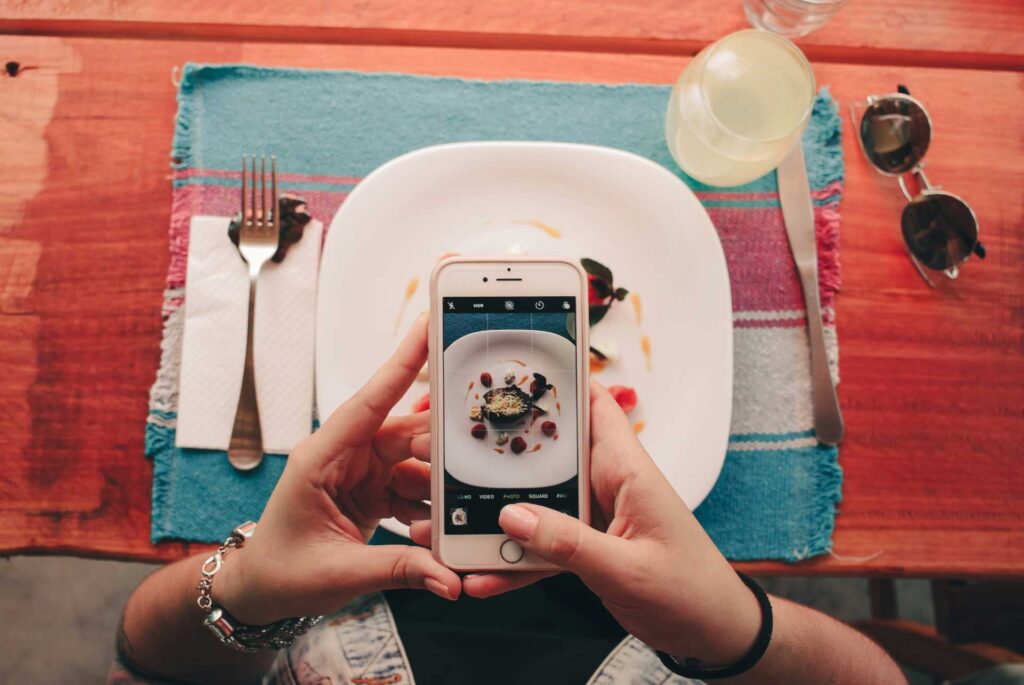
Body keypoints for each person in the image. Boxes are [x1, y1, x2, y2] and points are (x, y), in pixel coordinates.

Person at [112, 315, 905, 684]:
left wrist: (248, 588)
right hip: (650, 612)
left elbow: (140, 666)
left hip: (356, 581)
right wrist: (732, 627)